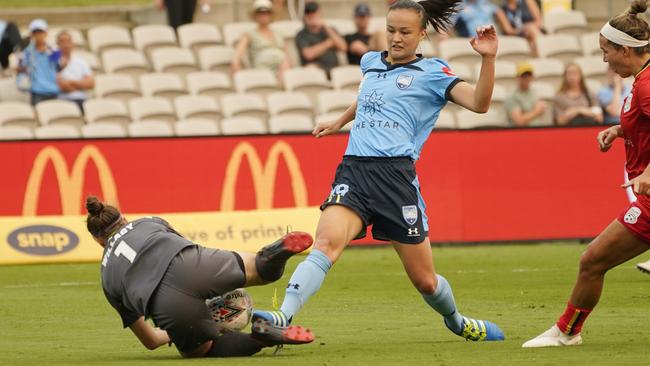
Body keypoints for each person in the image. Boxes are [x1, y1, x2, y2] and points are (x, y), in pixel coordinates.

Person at [254, 0, 505, 342]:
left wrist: (488, 59)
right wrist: (339, 121)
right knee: (325, 244)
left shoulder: (433, 73)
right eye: (390, 31)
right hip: (354, 170)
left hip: (395, 180)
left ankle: (457, 321)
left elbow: (479, 103)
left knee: (425, 281)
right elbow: (370, 98)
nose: (396, 38)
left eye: (405, 32)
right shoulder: (371, 62)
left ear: (421, 34)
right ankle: (283, 315)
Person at [523, 0, 650, 348]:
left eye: (607, 51)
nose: (604, 58)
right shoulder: (641, 80)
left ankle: (567, 332)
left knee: (592, 260)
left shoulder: (645, 84)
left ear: (626, 48)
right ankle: (567, 331)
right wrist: (620, 130)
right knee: (593, 261)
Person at [86, 195, 315, 357]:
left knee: (199, 350)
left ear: (98, 240)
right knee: (258, 269)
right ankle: (272, 255)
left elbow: (151, 341)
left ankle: (261, 336)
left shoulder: (107, 276)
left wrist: (196, 327)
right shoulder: (148, 221)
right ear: (123, 219)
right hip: (192, 262)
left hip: (167, 301)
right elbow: (185, 246)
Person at [231, 0, 291, 80]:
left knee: (286, 66)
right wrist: (236, 67)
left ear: (270, 15)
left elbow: (288, 55)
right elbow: (237, 56)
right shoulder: (249, 34)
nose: (264, 15)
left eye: (267, 12)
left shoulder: (278, 34)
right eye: (260, 12)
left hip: (283, 69)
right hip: (262, 71)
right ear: (255, 15)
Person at [295, 1, 346, 74]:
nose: (312, 16)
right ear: (305, 16)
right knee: (311, 69)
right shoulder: (301, 34)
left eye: (315, 13)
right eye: (309, 13)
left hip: (335, 69)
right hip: (316, 69)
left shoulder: (330, 30)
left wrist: (325, 27)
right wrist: (328, 43)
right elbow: (308, 54)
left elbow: (343, 47)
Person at [18, 19, 60, 106]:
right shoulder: (27, 52)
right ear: (31, 34)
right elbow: (21, 67)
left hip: (53, 90)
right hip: (37, 91)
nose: (38, 35)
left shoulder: (53, 50)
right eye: (35, 33)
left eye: (40, 32)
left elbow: (59, 65)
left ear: (45, 33)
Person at [56, 30, 94, 113]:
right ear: (58, 45)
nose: (66, 45)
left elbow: (90, 83)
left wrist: (70, 82)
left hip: (82, 100)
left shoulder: (81, 62)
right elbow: (61, 86)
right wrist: (80, 85)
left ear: (72, 44)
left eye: (68, 41)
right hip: (63, 102)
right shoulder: (53, 62)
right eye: (62, 42)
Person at [504, 62, 547, 127]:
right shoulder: (511, 96)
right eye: (523, 75)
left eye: (529, 75)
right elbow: (519, 121)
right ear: (517, 77)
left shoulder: (534, 92)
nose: (527, 78)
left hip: (537, 130)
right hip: (520, 133)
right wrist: (537, 111)